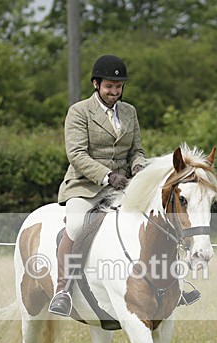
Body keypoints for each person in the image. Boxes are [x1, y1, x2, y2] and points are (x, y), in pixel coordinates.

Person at [49, 54, 148, 316]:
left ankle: (171, 284)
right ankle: (63, 291)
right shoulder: (79, 112)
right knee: (77, 225)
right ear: (96, 84)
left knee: (155, 218)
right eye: (109, 87)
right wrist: (107, 176)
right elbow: (77, 155)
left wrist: (139, 168)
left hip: (124, 185)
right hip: (86, 186)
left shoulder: (129, 112)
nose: (114, 92)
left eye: (118, 87)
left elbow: (136, 150)